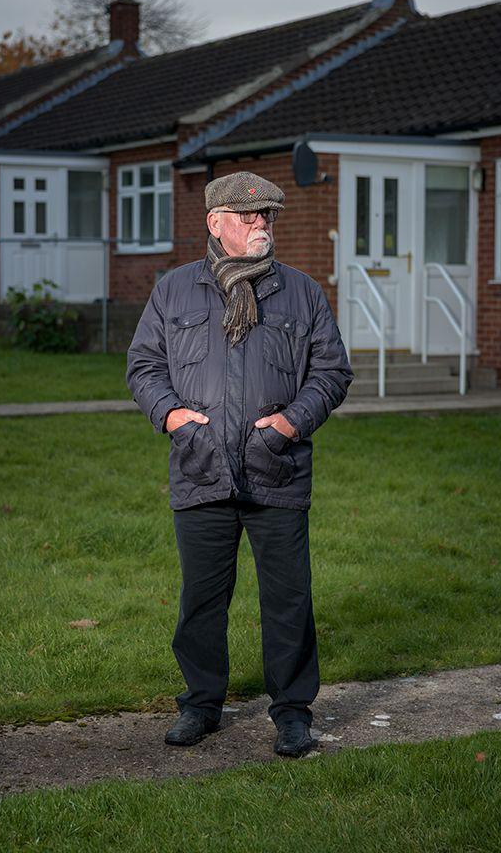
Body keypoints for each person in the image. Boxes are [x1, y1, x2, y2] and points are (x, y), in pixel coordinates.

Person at [125, 170, 354, 758]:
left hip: (275, 470)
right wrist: (173, 417)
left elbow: (331, 372)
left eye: (268, 217)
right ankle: (201, 705)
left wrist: (290, 424)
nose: (261, 225)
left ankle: (293, 712)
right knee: (201, 600)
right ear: (215, 223)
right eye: (249, 216)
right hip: (201, 469)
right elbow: (144, 368)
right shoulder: (173, 290)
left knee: (289, 599)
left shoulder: (301, 292)